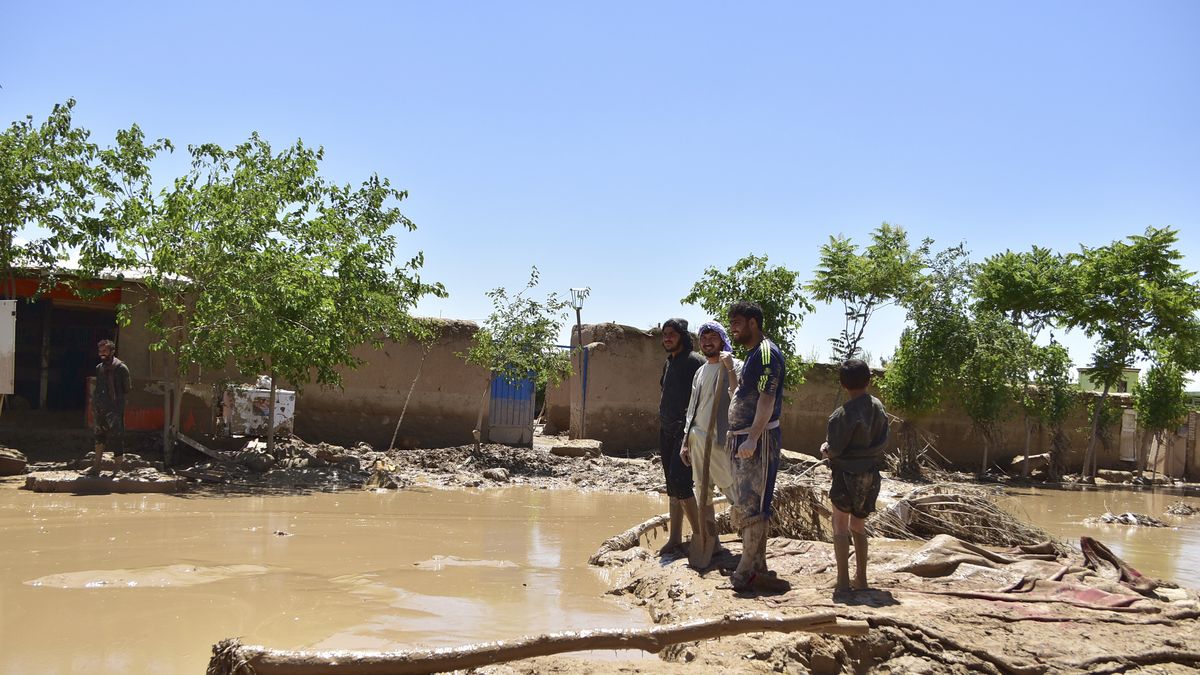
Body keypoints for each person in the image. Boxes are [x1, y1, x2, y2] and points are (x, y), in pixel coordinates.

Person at [726, 301, 790, 593]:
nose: (733, 328)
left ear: (754, 322)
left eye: (737, 321)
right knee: (748, 501)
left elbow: (767, 398)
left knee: (754, 502)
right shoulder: (753, 355)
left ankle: (744, 570)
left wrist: (753, 437)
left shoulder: (767, 354)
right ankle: (757, 567)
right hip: (746, 438)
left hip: (759, 440)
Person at [821, 358, 889, 593]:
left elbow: (835, 449)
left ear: (842, 384)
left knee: (840, 523)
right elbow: (882, 440)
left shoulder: (840, 415)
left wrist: (826, 450)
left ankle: (842, 582)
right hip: (871, 474)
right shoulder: (878, 408)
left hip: (845, 475)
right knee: (858, 524)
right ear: (869, 380)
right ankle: (861, 579)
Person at [680, 321, 740, 547]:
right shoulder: (700, 371)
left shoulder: (736, 366)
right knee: (702, 493)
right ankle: (710, 541)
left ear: (723, 340)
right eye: (703, 339)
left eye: (712, 337)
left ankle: (749, 543)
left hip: (722, 442)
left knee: (734, 490)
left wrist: (730, 368)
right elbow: (692, 407)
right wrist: (685, 440)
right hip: (697, 440)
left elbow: (739, 398)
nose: (707, 342)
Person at [658, 318, 705, 556]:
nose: (667, 338)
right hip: (666, 431)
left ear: (682, 336)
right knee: (671, 485)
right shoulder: (669, 363)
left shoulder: (695, 362)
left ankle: (701, 537)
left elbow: (704, 399)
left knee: (681, 482)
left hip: (685, 433)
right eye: (664, 334)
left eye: (672, 334)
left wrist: (690, 433)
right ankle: (675, 538)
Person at [85, 339, 132, 476]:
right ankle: (96, 466)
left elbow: (127, 388)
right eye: (100, 351)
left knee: (117, 437)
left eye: (104, 351)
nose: (102, 354)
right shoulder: (99, 368)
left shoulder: (122, 368)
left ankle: (117, 468)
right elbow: (99, 387)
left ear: (112, 351)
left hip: (115, 408)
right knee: (99, 436)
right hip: (101, 408)